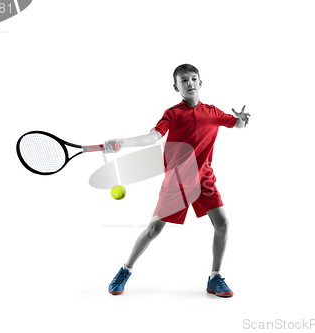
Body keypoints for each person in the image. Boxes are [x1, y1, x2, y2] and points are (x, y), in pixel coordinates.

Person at [104, 64, 250, 297]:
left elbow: (238, 124)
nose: (190, 83)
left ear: (200, 83)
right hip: (176, 182)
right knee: (153, 230)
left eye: (193, 79)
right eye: (184, 80)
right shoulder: (172, 113)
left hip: (204, 180)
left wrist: (242, 119)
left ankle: (215, 278)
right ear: (176, 87)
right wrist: (123, 142)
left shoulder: (213, 113)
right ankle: (125, 269)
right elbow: (152, 137)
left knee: (222, 224)